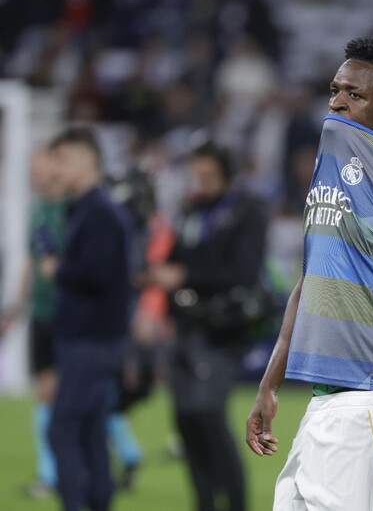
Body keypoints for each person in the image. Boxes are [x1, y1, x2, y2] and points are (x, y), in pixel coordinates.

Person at [246, 35, 373, 510]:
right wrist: (270, 384)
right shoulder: (330, 171)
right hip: (324, 403)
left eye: (355, 95)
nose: (336, 102)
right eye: (335, 90)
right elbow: (310, 281)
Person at [147, 139, 268, 511]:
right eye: (196, 173)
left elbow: (243, 271)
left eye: (207, 174)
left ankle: (235, 504)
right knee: (186, 420)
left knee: (208, 414)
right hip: (185, 325)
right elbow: (174, 258)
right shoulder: (190, 211)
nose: (200, 180)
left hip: (221, 328)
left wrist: (185, 275)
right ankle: (204, 503)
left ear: (226, 172)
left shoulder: (248, 211)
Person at [44, 126, 132, 511]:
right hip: (89, 340)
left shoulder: (100, 213)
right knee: (90, 429)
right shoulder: (86, 210)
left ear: (87, 159)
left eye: (62, 160)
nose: (56, 170)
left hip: (92, 341)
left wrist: (58, 270)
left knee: (62, 427)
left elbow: (98, 275)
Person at [0, 148, 67, 497]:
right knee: (45, 393)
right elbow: (31, 262)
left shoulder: (73, 209)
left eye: (39, 169)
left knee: (73, 395)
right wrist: (15, 308)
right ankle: (49, 472)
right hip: (42, 313)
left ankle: (113, 456)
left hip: (71, 315)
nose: (34, 176)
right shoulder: (38, 211)